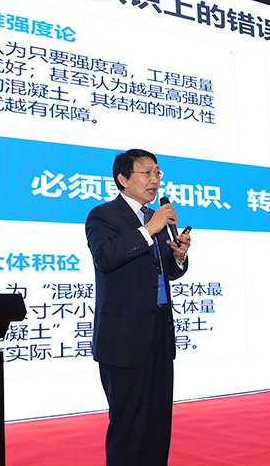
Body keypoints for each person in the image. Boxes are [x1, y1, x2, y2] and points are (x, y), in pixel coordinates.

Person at [85, 148, 191, 465]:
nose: (154, 180)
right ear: (123, 178)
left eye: (157, 173)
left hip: (159, 332)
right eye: (146, 173)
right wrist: (149, 229)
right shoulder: (104, 215)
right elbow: (106, 258)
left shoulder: (154, 218)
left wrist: (179, 257)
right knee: (128, 423)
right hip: (123, 337)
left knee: (158, 421)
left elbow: (166, 271)